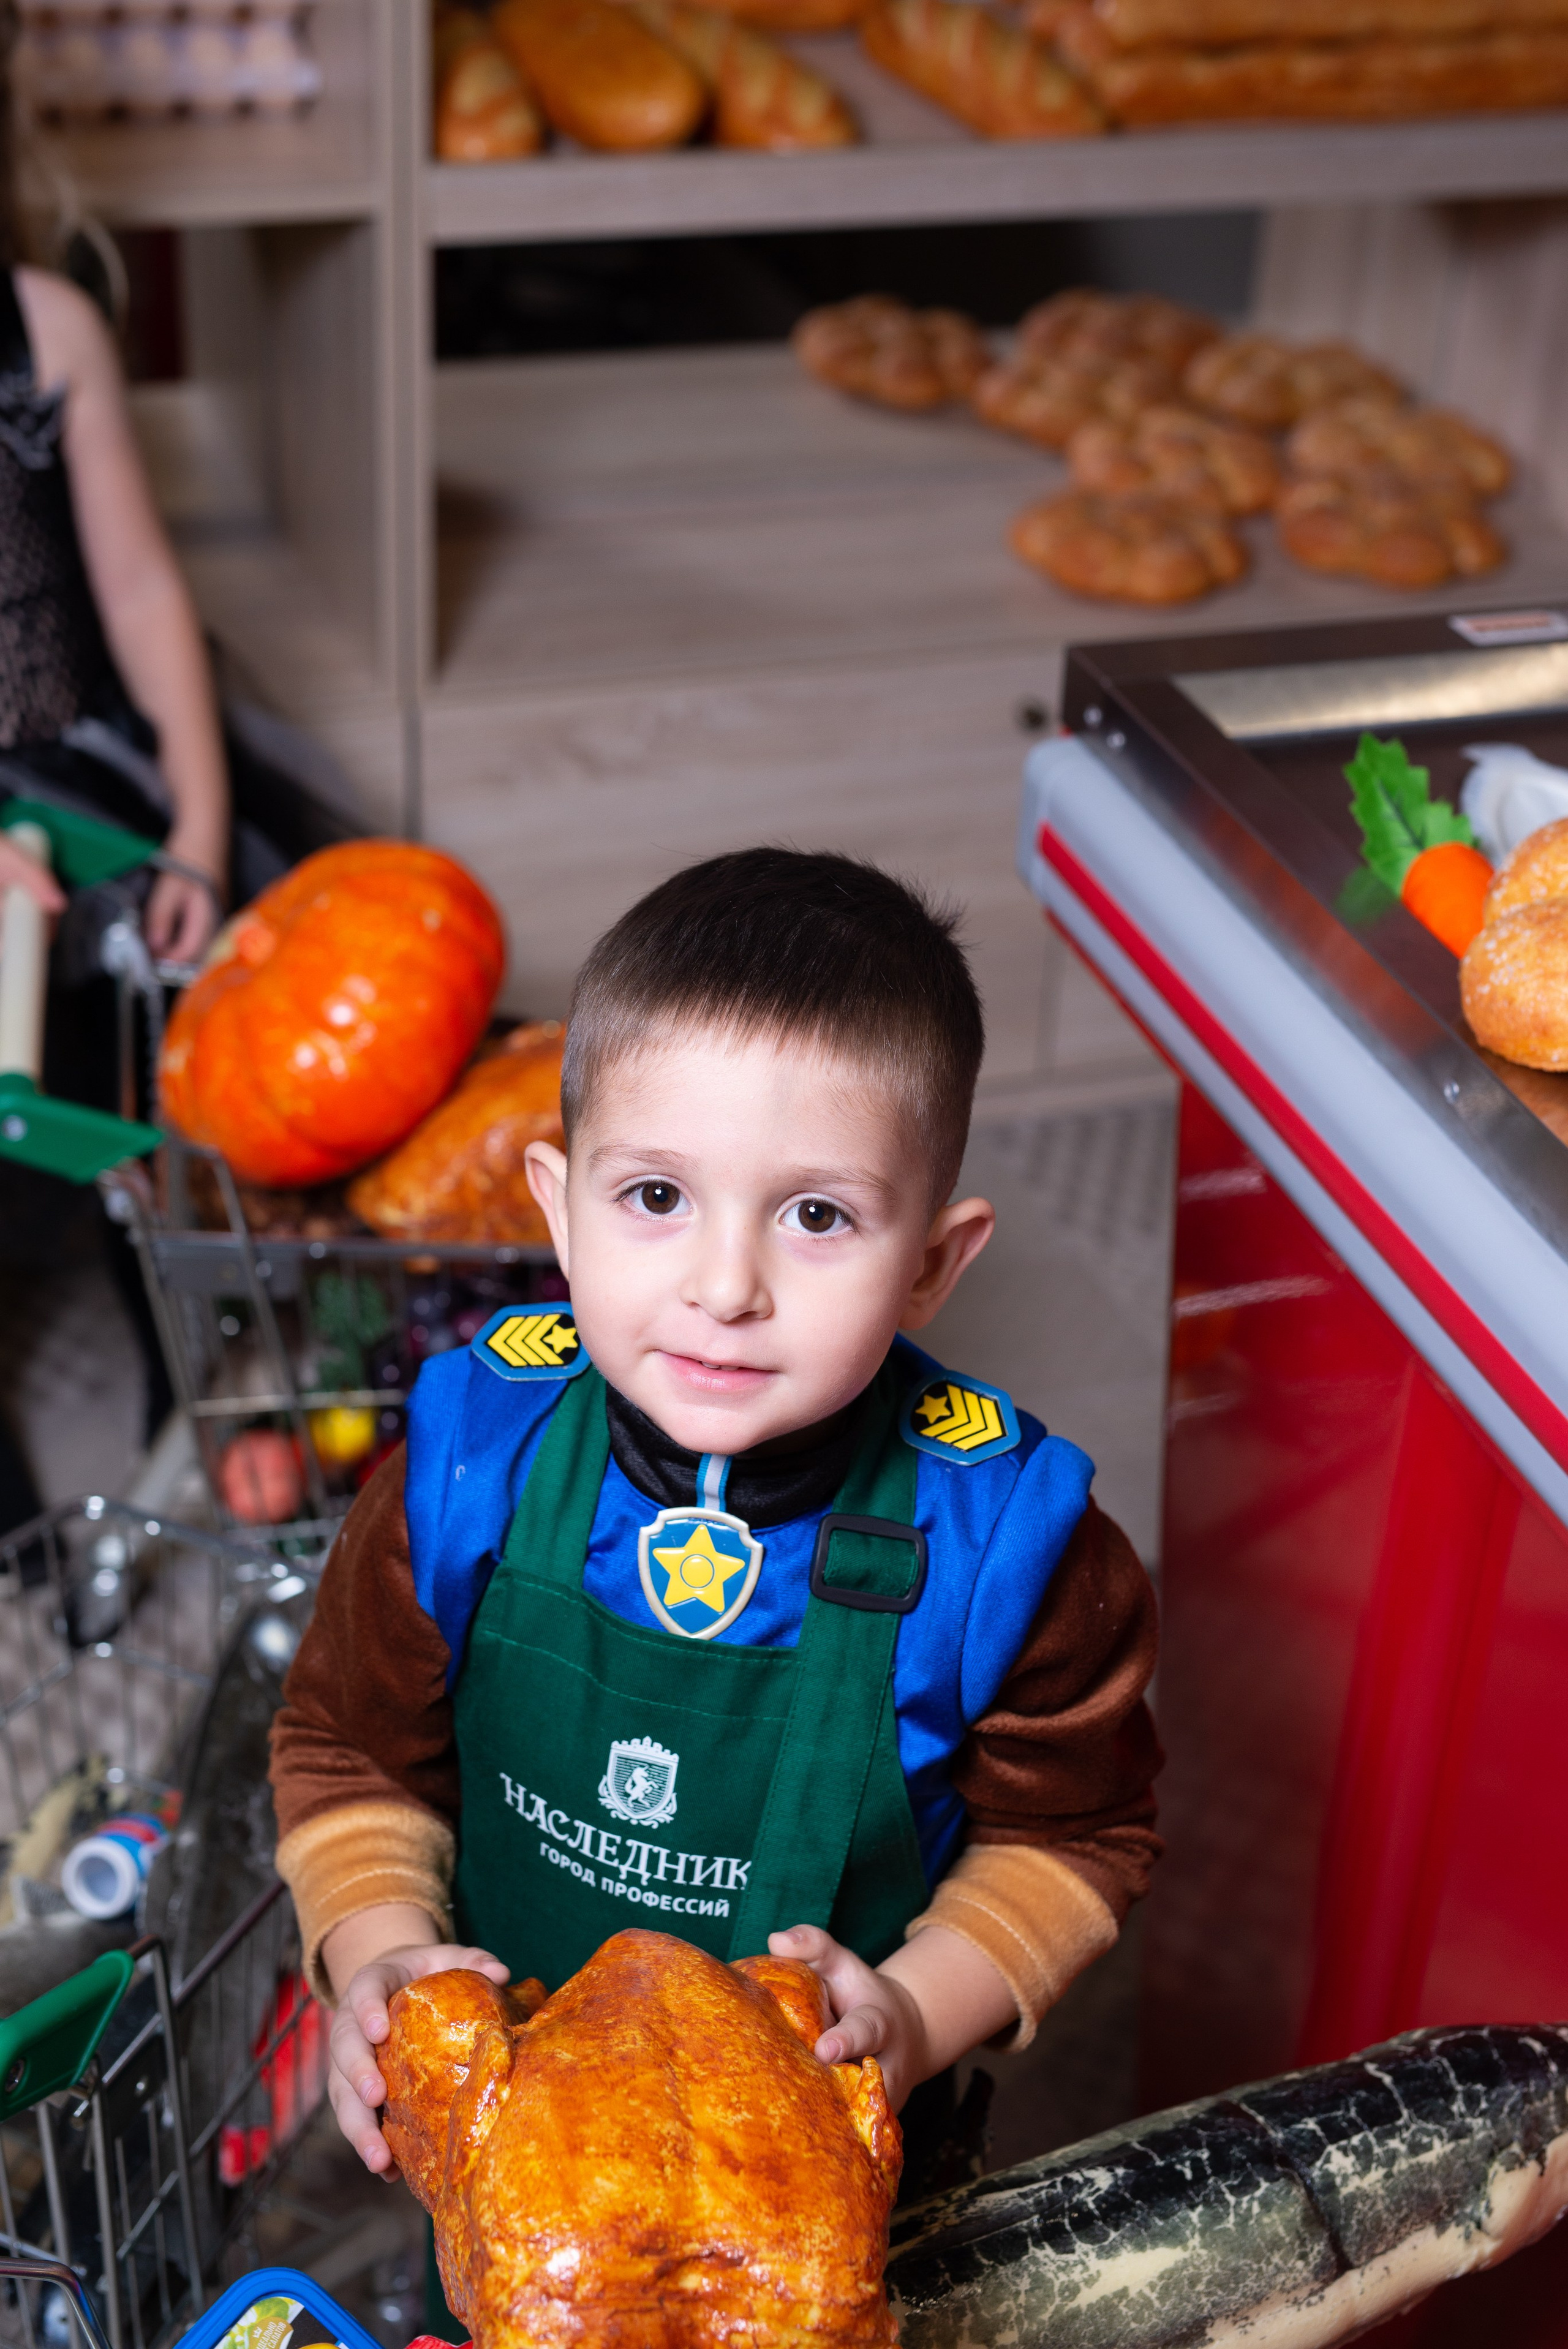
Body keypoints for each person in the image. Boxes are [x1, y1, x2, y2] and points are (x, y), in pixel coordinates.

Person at [272, 849, 1161, 2197]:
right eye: (656, 1197)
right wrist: (378, 1947)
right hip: (509, 2156)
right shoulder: (466, 1465)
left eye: (816, 1214)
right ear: (558, 1211)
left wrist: (915, 2014)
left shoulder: (1012, 1547)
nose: (726, 1285)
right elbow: (350, 1749)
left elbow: (1076, 1839)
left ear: (930, 1261)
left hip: (838, 2167)